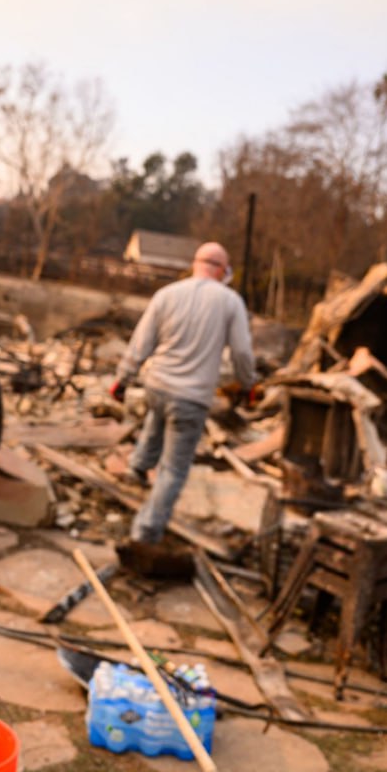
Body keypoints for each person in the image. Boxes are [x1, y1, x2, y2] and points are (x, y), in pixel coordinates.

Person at [109, 242, 257, 568]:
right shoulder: (230, 301)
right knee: (174, 470)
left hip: (156, 385)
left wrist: (122, 378)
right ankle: (145, 532)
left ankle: (137, 466)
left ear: (195, 264)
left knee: (157, 417)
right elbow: (243, 353)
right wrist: (249, 385)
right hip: (190, 397)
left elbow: (141, 340)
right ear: (222, 270)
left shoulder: (167, 294)